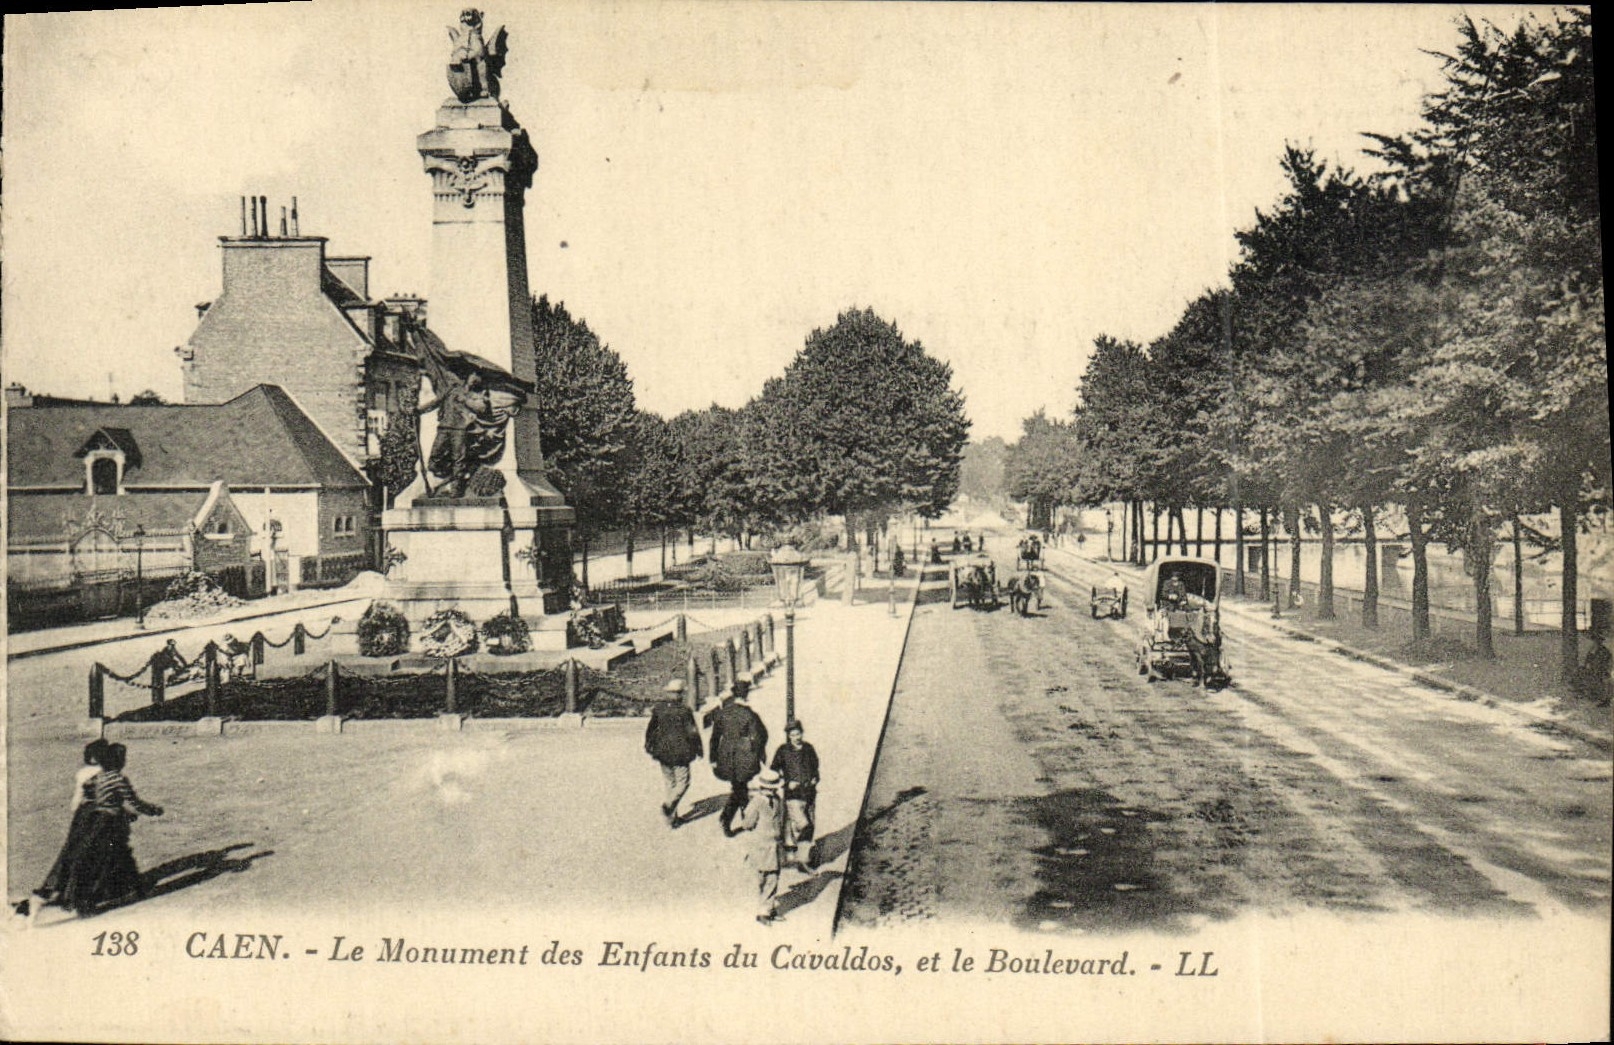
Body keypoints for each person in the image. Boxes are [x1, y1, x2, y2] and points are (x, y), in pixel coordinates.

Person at [57, 743, 163, 916]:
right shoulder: (118, 779)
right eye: (122, 758)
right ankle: (90, 902)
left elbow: (95, 798)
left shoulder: (98, 777)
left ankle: (133, 888)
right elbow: (133, 801)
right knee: (108, 859)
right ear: (118, 761)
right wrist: (153, 810)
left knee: (114, 856)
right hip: (110, 823)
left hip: (95, 821)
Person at [17, 740, 111, 918]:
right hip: (99, 818)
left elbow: (75, 802)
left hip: (83, 816)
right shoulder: (108, 774)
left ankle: (54, 892)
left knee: (71, 852)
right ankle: (80, 899)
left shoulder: (83, 773)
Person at [707, 675, 768, 836]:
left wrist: (712, 758)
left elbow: (714, 737)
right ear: (746, 694)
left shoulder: (723, 713)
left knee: (739, 787)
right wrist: (760, 754)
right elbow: (761, 736)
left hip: (726, 757)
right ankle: (735, 817)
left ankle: (741, 817)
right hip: (744, 757)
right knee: (740, 787)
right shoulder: (750, 715)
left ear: (734, 695)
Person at [644, 679, 703, 828]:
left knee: (670, 783)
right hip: (680, 753)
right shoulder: (684, 711)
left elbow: (651, 729)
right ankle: (668, 806)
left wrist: (649, 744)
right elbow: (692, 733)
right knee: (683, 783)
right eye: (680, 693)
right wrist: (699, 748)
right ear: (679, 694)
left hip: (663, 752)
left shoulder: (659, 709)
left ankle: (671, 819)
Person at [732, 768, 785, 924]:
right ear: (762, 788)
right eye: (768, 789)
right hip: (760, 846)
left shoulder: (778, 801)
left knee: (773, 878)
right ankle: (765, 908)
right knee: (763, 879)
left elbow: (781, 820)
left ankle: (766, 911)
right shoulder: (756, 802)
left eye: (773, 789)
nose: (771, 791)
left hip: (773, 846)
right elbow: (747, 823)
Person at [770, 720, 820, 871]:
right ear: (788, 736)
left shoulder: (809, 749)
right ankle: (802, 858)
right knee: (804, 826)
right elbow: (773, 771)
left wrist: (815, 778)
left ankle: (799, 854)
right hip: (793, 795)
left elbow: (816, 767)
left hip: (809, 794)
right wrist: (786, 783)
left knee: (808, 824)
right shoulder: (783, 751)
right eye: (792, 735)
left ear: (802, 733)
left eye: (798, 734)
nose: (796, 737)